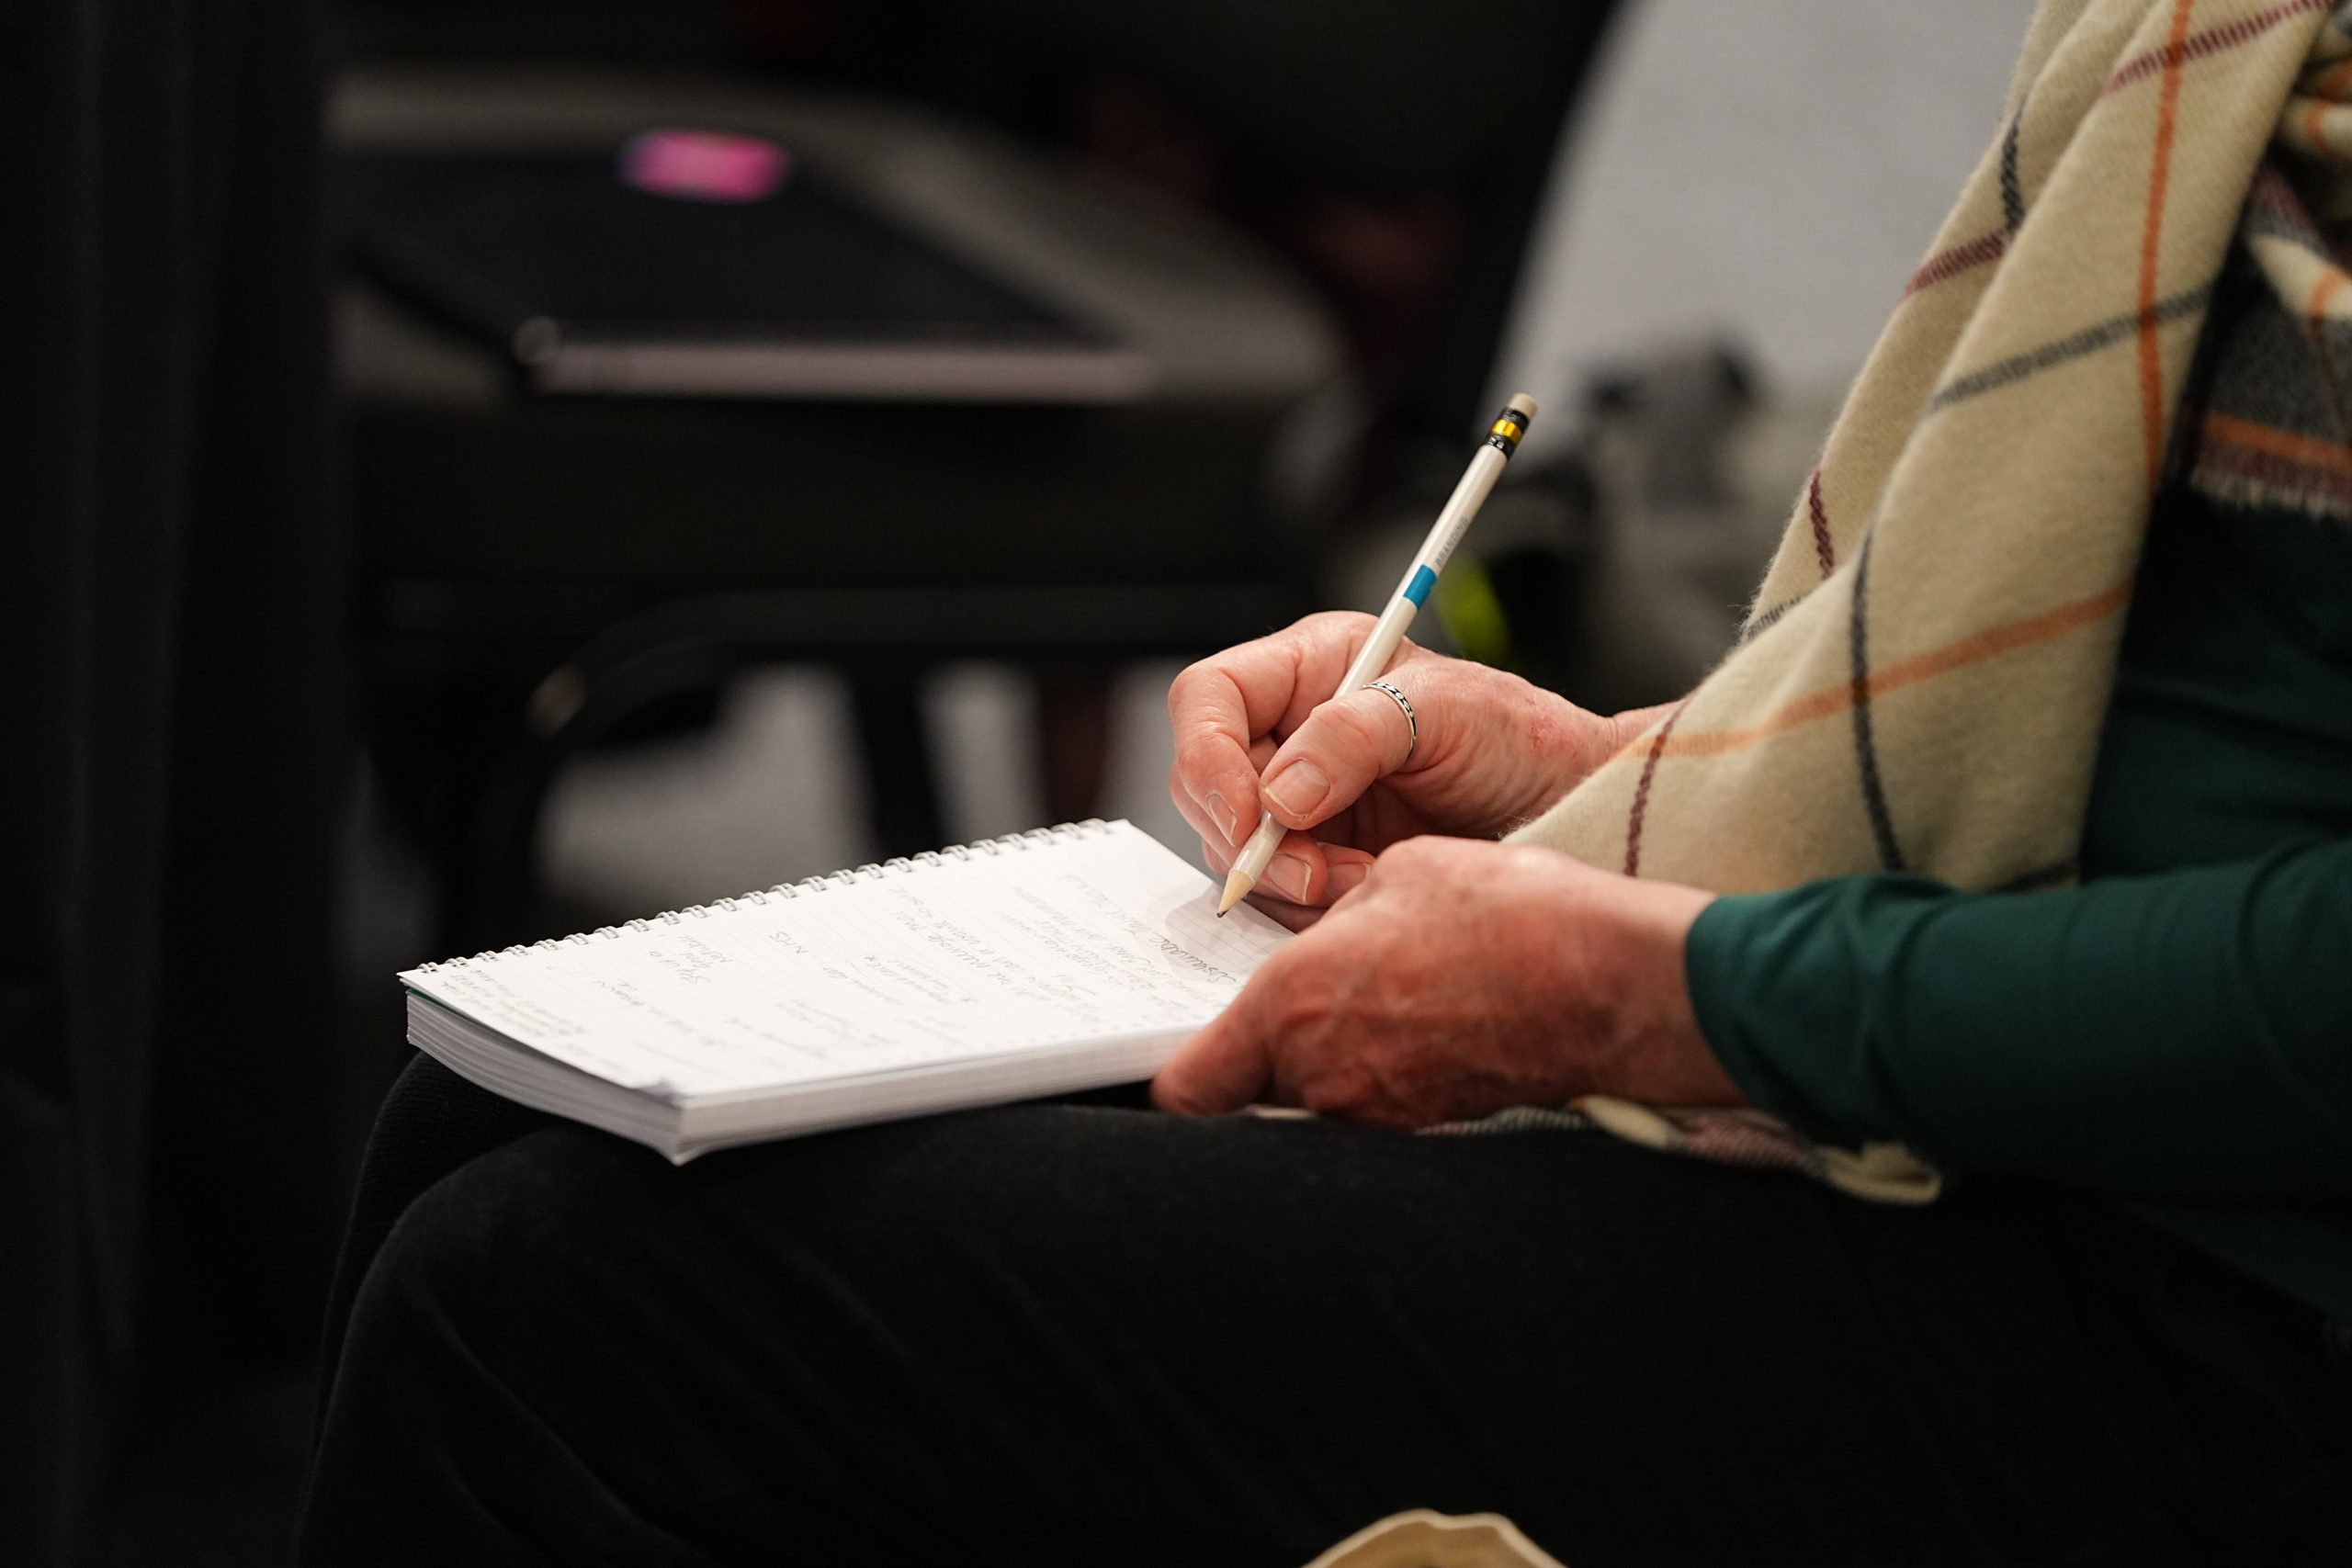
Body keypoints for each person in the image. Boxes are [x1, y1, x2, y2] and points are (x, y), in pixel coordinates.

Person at [301, 4, 2352, 1562]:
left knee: (555, 1305)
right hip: (2003, 1095)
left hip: (2206, 1327)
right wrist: (1605, 774)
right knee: (508, 1104)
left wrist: (1660, 986)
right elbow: (2180, 743)